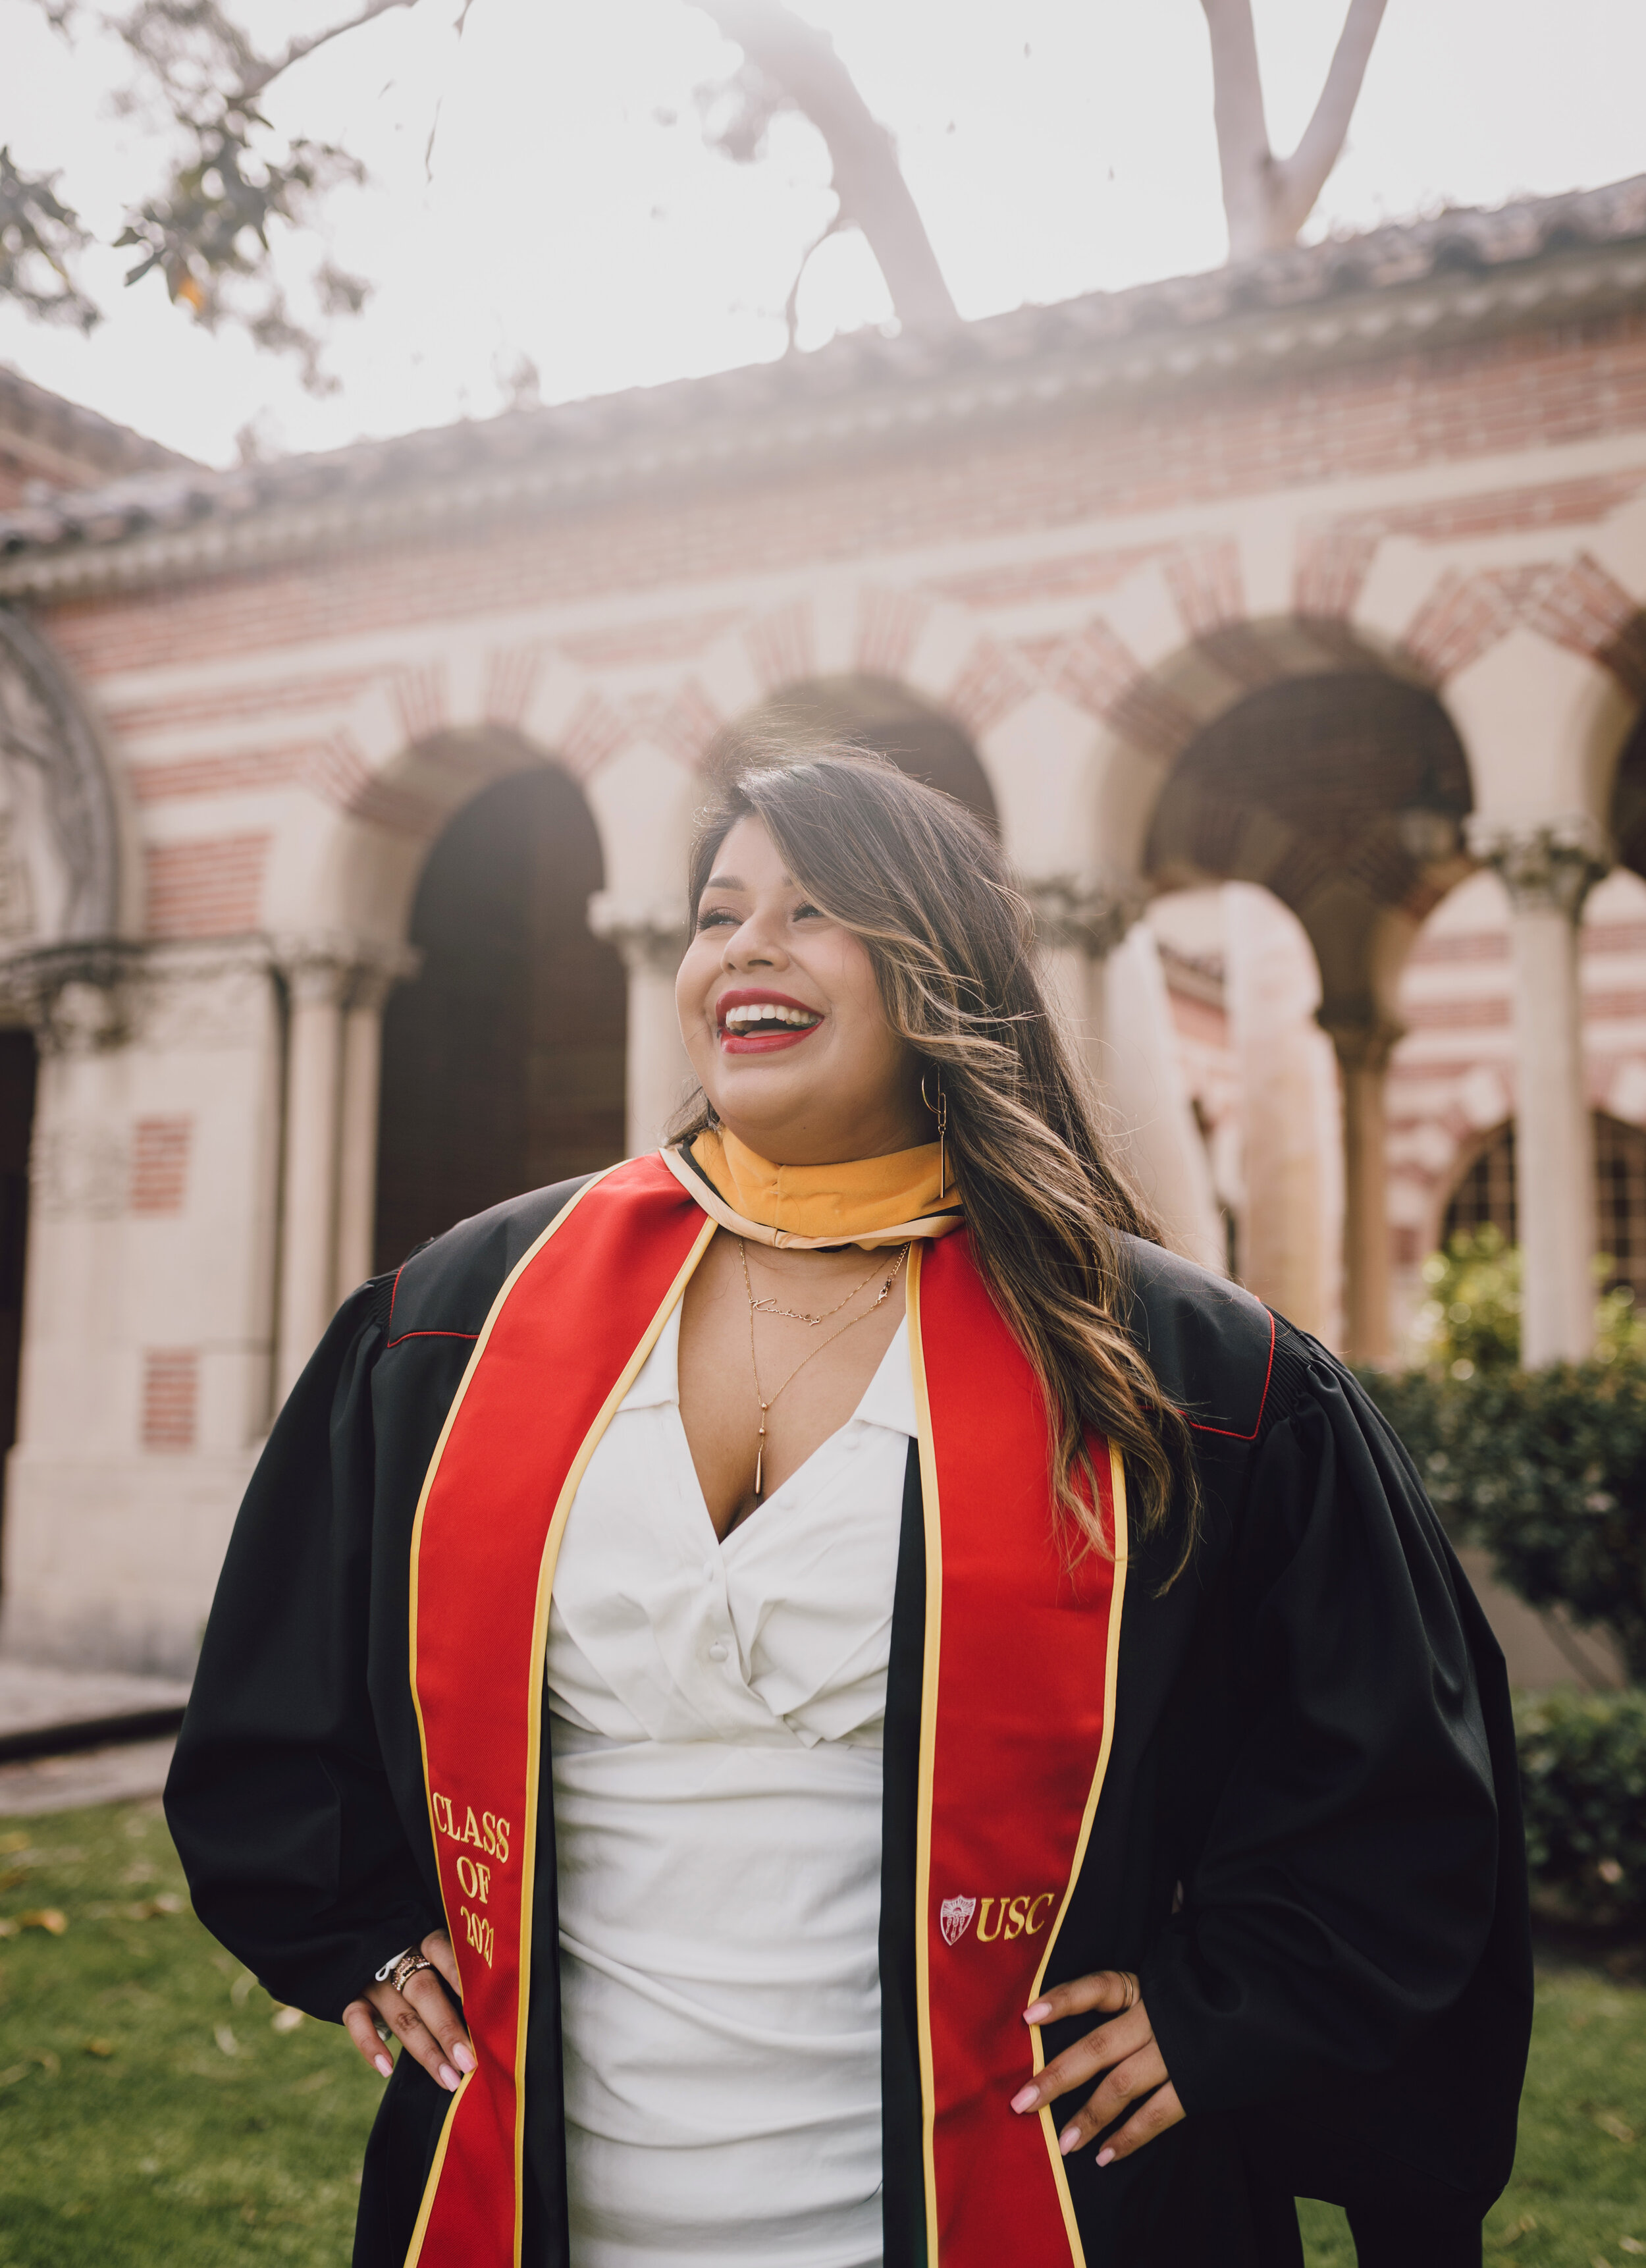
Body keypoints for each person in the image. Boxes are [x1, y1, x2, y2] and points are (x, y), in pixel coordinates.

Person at [167, 750, 1530, 2268]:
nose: (743, 945)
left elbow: (1392, 1785)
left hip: (1016, 2199)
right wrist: (347, 1924)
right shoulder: (465, 1320)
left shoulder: (1172, 1369)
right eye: (716, 912)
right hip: (544, 2200)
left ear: (942, 971)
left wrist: (1224, 2015)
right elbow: (274, 1695)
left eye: (813, 910)